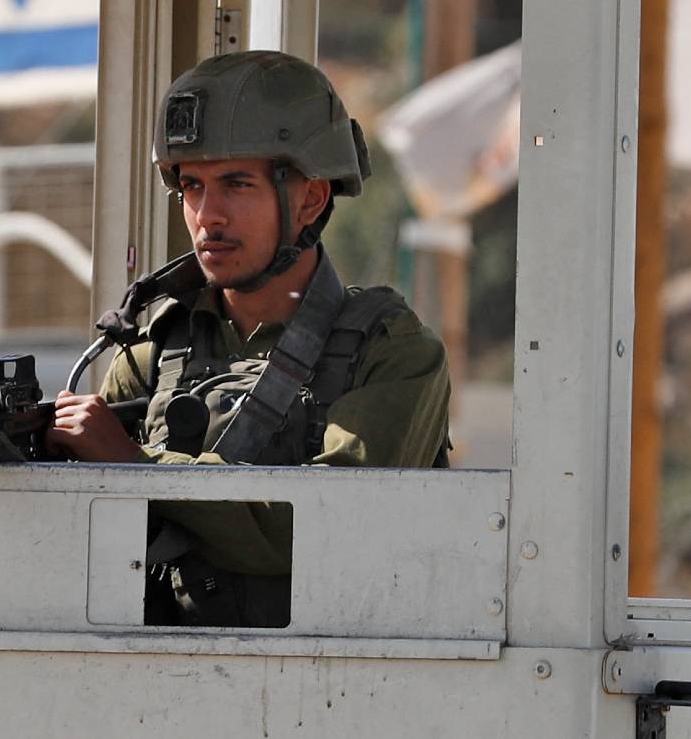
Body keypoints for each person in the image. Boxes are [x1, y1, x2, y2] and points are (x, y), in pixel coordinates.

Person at [43, 50, 451, 628]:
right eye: (192, 186)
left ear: (310, 197)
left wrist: (133, 464)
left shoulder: (393, 353)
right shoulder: (152, 351)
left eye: (236, 184)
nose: (208, 215)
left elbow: (332, 528)